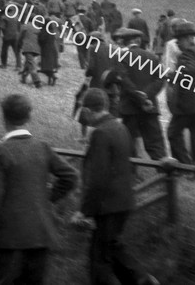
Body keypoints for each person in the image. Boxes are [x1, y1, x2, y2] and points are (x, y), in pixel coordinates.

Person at [0, 94, 78, 284]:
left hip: (10, 237)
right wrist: (48, 197)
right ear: (28, 118)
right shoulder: (42, 147)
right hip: (40, 233)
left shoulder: (1, 152)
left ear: (4, 118)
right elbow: (71, 176)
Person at [78, 88, 160, 285]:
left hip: (107, 205)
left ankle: (143, 280)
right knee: (113, 249)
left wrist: (84, 211)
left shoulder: (100, 133)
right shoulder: (120, 127)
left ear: (88, 111)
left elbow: (98, 178)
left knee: (99, 261)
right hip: (124, 201)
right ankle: (143, 280)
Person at [105, 28, 166, 160]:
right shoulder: (152, 57)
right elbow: (160, 79)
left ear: (124, 41)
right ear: (138, 40)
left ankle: (131, 175)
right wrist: (146, 95)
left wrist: (138, 96)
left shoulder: (119, 57)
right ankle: (166, 175)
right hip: (150, 108)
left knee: (128, 144)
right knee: (155, 144)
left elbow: (124, 80)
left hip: (129, 107)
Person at [166, 22, 195, 166]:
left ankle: (184, 165)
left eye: (180, 39)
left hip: (188, 105)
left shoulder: (189, 52)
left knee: (172, 133)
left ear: (190, 38)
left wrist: (170, 75)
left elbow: (189, 71)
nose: (177, 43)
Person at [19, 16, 42, 88]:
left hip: (27, 48)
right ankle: (23, 77)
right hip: (36, 49)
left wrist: (19, 45)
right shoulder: (37, 28)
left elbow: (20, 37)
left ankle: (37, 81)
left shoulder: (24, 27)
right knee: (28, 63)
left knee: (31, 65)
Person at [38, 16, 59, 85]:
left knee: (45, 67)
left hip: (45, 50)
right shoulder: (51, 31)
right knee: (49, 66)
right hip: (52, 49)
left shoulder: (44, 30)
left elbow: (41, 39)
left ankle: (52, 77)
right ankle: (50, 80)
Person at [0, 5, 22, 69]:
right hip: (15, 36)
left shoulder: (4, 17)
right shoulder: (17, 17)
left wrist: (4, 34)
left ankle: (4, 64)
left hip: (7, 36)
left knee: (4, 50)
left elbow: (3, 27)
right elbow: (19, 27)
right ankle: (18, 65)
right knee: (17, 51)